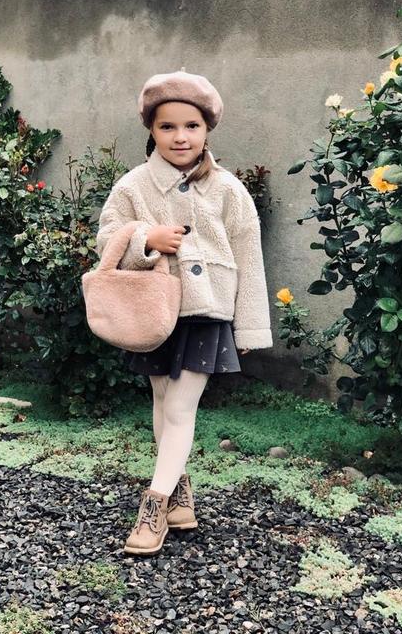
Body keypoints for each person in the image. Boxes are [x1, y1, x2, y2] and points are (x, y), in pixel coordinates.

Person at [95, 70, 273, 556]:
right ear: (151, 130)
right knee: (161, 401)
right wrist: (144, 238)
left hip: (207, 309)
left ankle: (153, 506)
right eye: (167, 126)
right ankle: (179, 498)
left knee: (179, 407)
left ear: (207, 129)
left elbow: (250, 257)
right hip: (154, 309)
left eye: (191, 126)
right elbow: (106, 237)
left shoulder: (229, 189)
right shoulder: (133, 185)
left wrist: (249, 326)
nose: (180, 136)